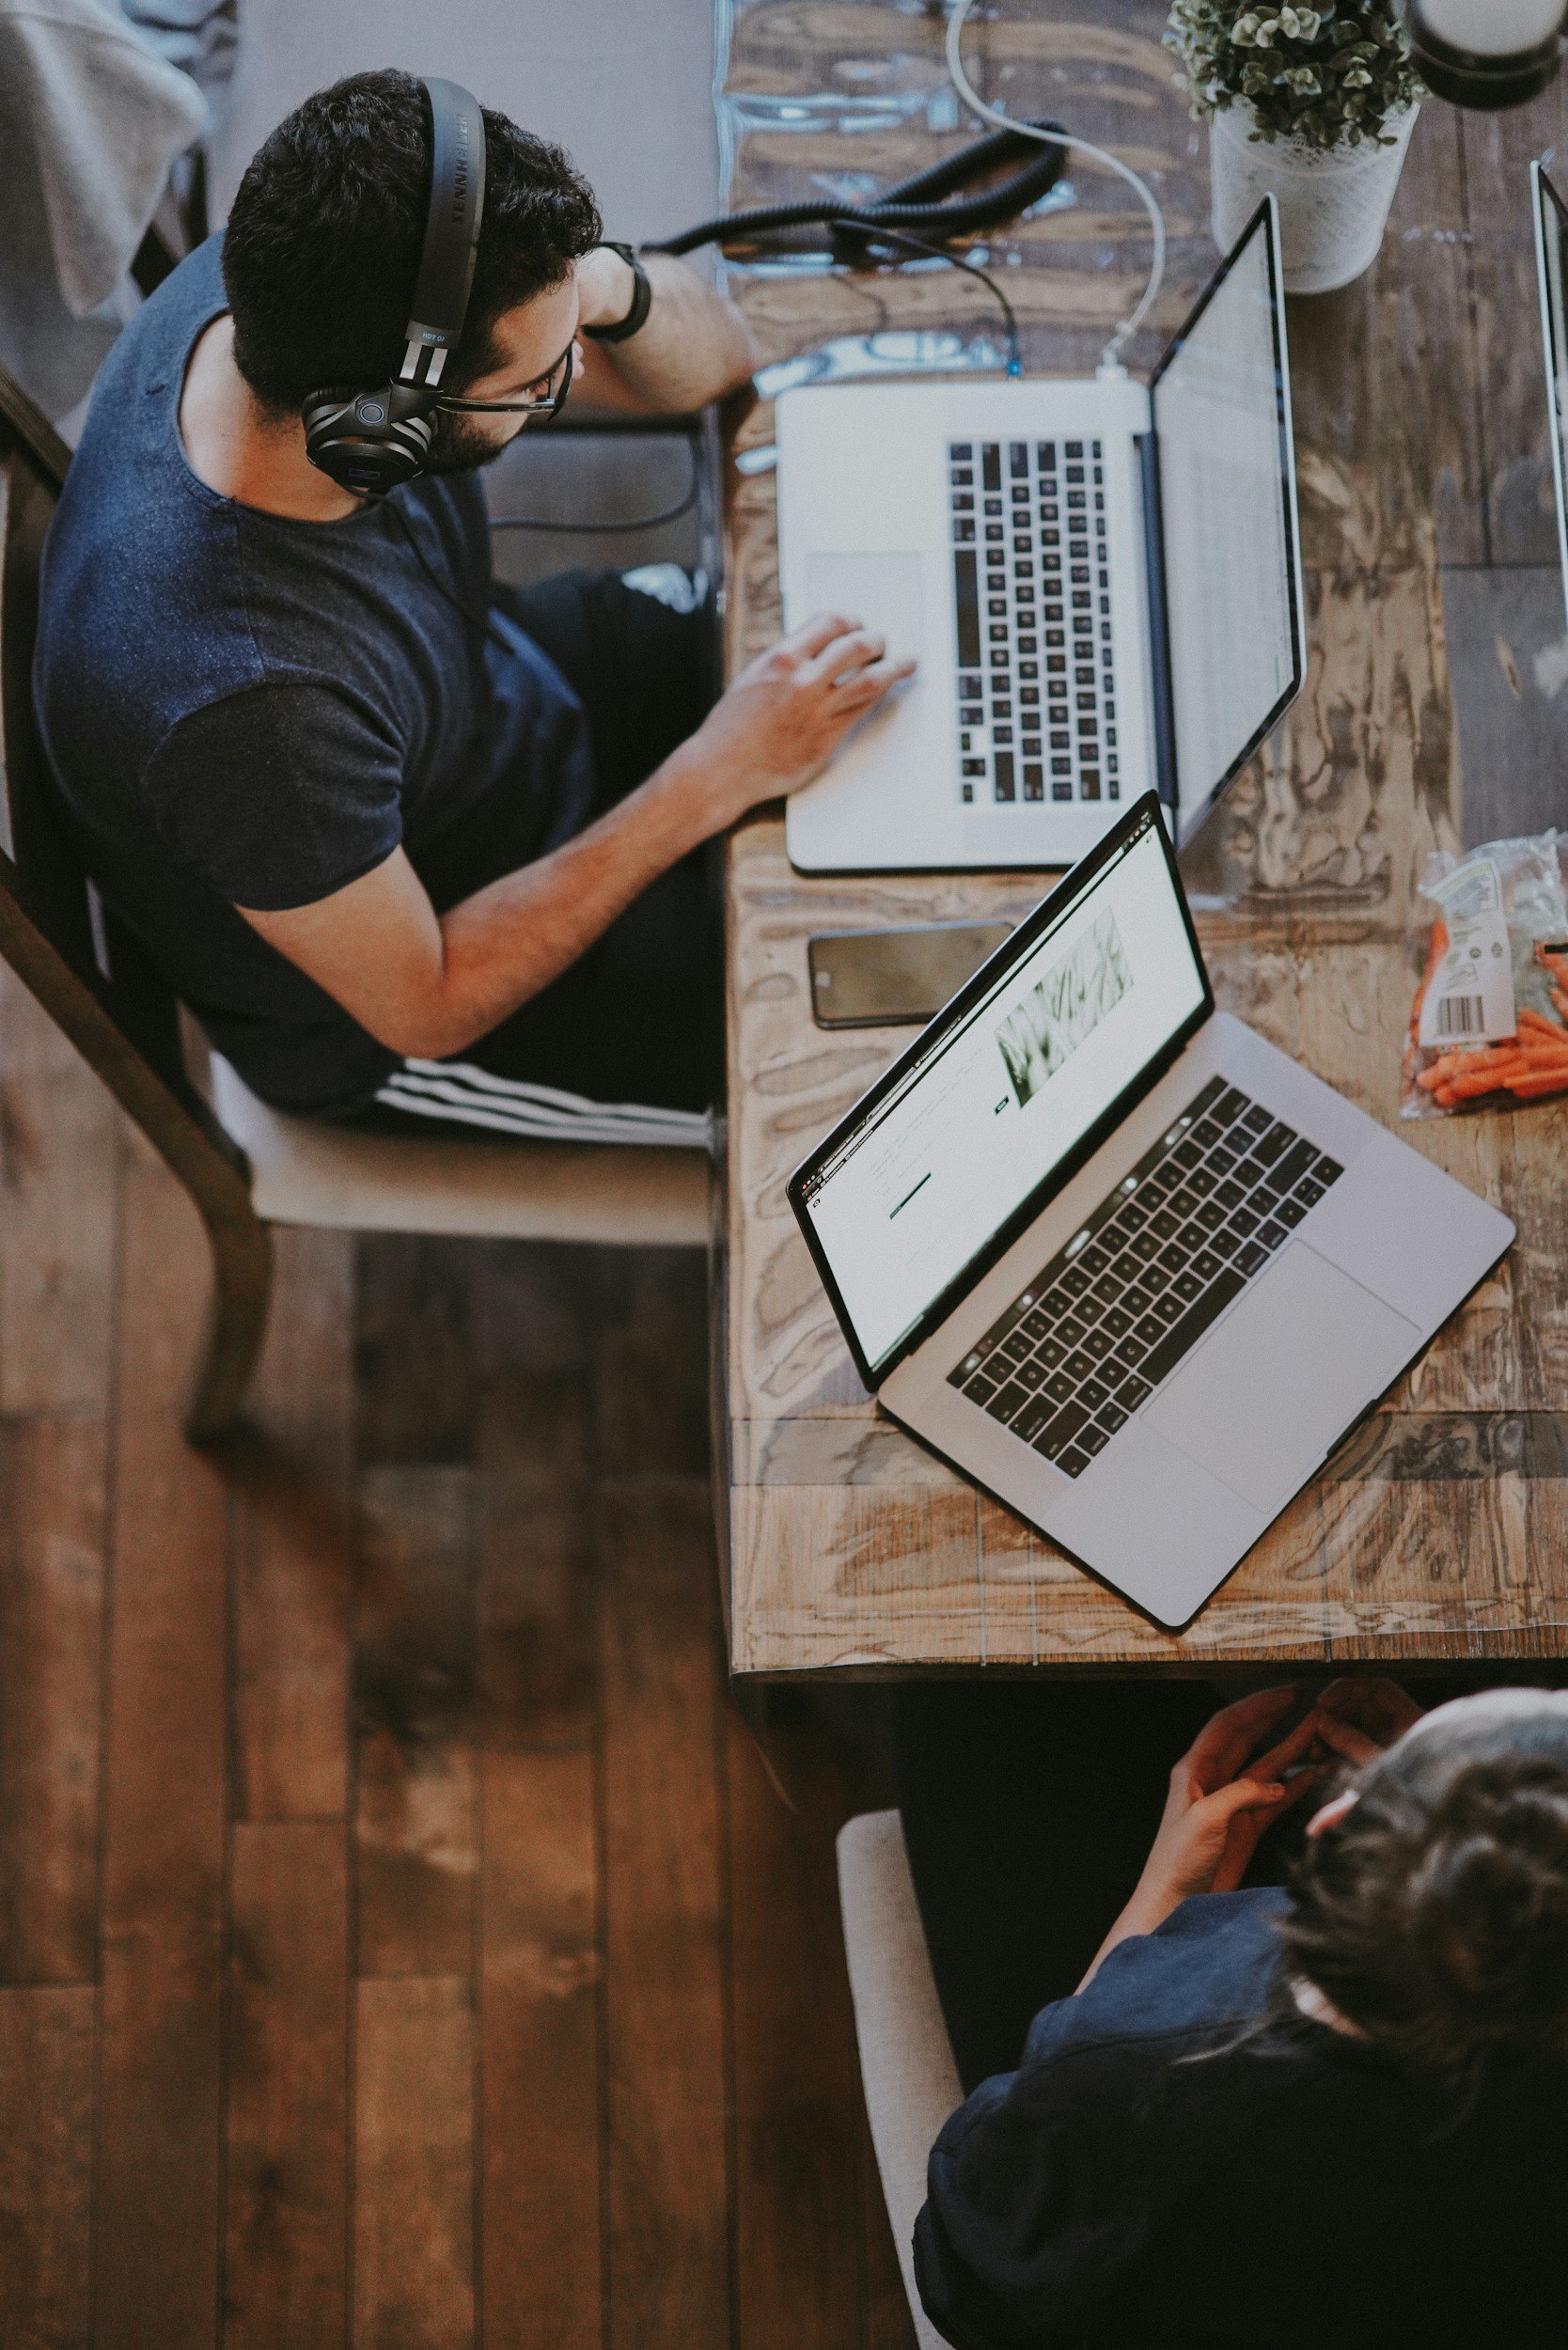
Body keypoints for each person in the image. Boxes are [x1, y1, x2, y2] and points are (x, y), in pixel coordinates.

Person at [33, 68, 911, 1137]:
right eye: (538, 384)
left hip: (490, 705)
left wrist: (596, 286)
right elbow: (428, 1001)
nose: (571, 379)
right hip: (427, 976)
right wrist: (712, 776)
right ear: (381, 430)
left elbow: (722, 359)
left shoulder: (303, 277)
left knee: (891, 684)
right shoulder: (248, 712)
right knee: (871, 1048)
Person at [902, 1678, 1568, 2349]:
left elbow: (961, 2279)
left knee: (961, 1712)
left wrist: (1161, 1896)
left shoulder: (1137, 2059)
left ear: (1333, 1831)